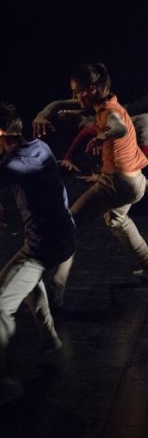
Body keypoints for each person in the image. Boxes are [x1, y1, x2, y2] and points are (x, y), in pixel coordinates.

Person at [46, 63, 148, 308]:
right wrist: (46, 112)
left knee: (70, 225)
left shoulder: (109, 113)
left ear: (93, 89)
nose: (76, 98)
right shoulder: (107, 103)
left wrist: (102, 135)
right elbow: (60, 104)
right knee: (118, 221)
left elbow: (116, 127)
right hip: (136, 181)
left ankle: (56, 289)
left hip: (118, 184)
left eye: (79, 92)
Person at [0, 102, 76, 404]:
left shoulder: (14, 165)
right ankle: (50, 337)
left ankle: (4, 383)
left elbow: (11, 171)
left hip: (45, 246)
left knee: (1, 307)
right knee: (23, 276)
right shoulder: (40, 147)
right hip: (59, 237)